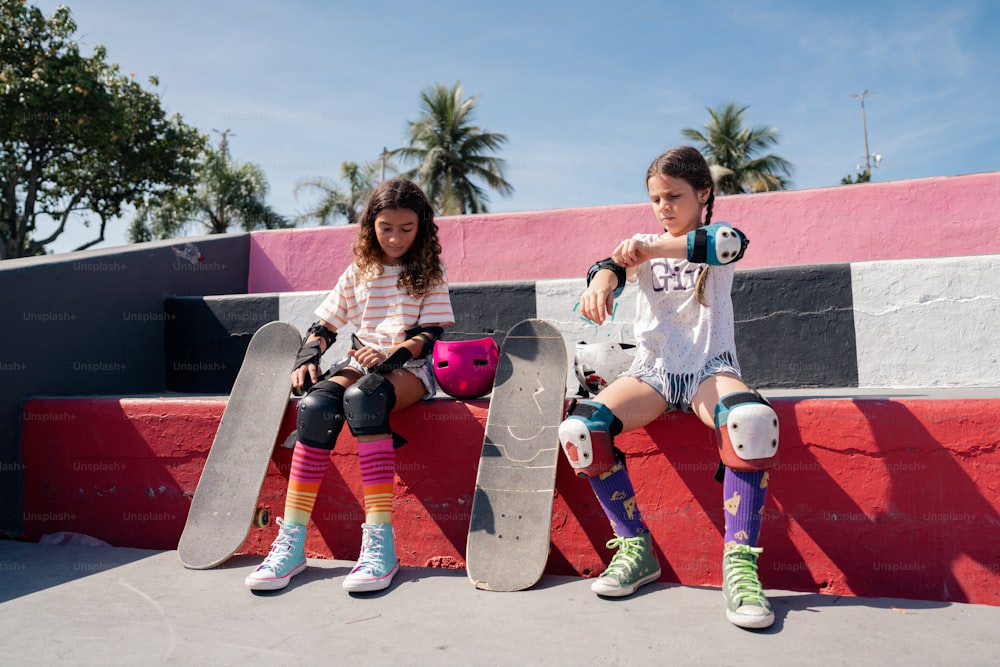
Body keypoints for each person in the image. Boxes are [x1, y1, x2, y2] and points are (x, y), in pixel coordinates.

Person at [558, 146, 779, 629]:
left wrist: (647, 249)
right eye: (656, 199)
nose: (663, 208)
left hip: (708, 368)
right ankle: (636, 548)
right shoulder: (641, 245)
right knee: (580, 430)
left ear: (703, 194)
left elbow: (724, 244)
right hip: (653, 371)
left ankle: (740, 566)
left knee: (750, 422)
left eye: (674, 196)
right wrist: (601, 281)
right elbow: (611, 266)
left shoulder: (715, 240)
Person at [245, 178, 454, 593]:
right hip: (360, 361)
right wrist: (308, 356)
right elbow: (325, 323)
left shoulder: (428, 271)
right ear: (370, 226)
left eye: (406, 228)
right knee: (316, 407)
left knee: (364, 400)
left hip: (412, 369)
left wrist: (391, 356)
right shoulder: (361, 270)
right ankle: (292, 544)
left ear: (423, 226)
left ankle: (380, 546)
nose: (395, 238)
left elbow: (430, 335)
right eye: (386, 228)